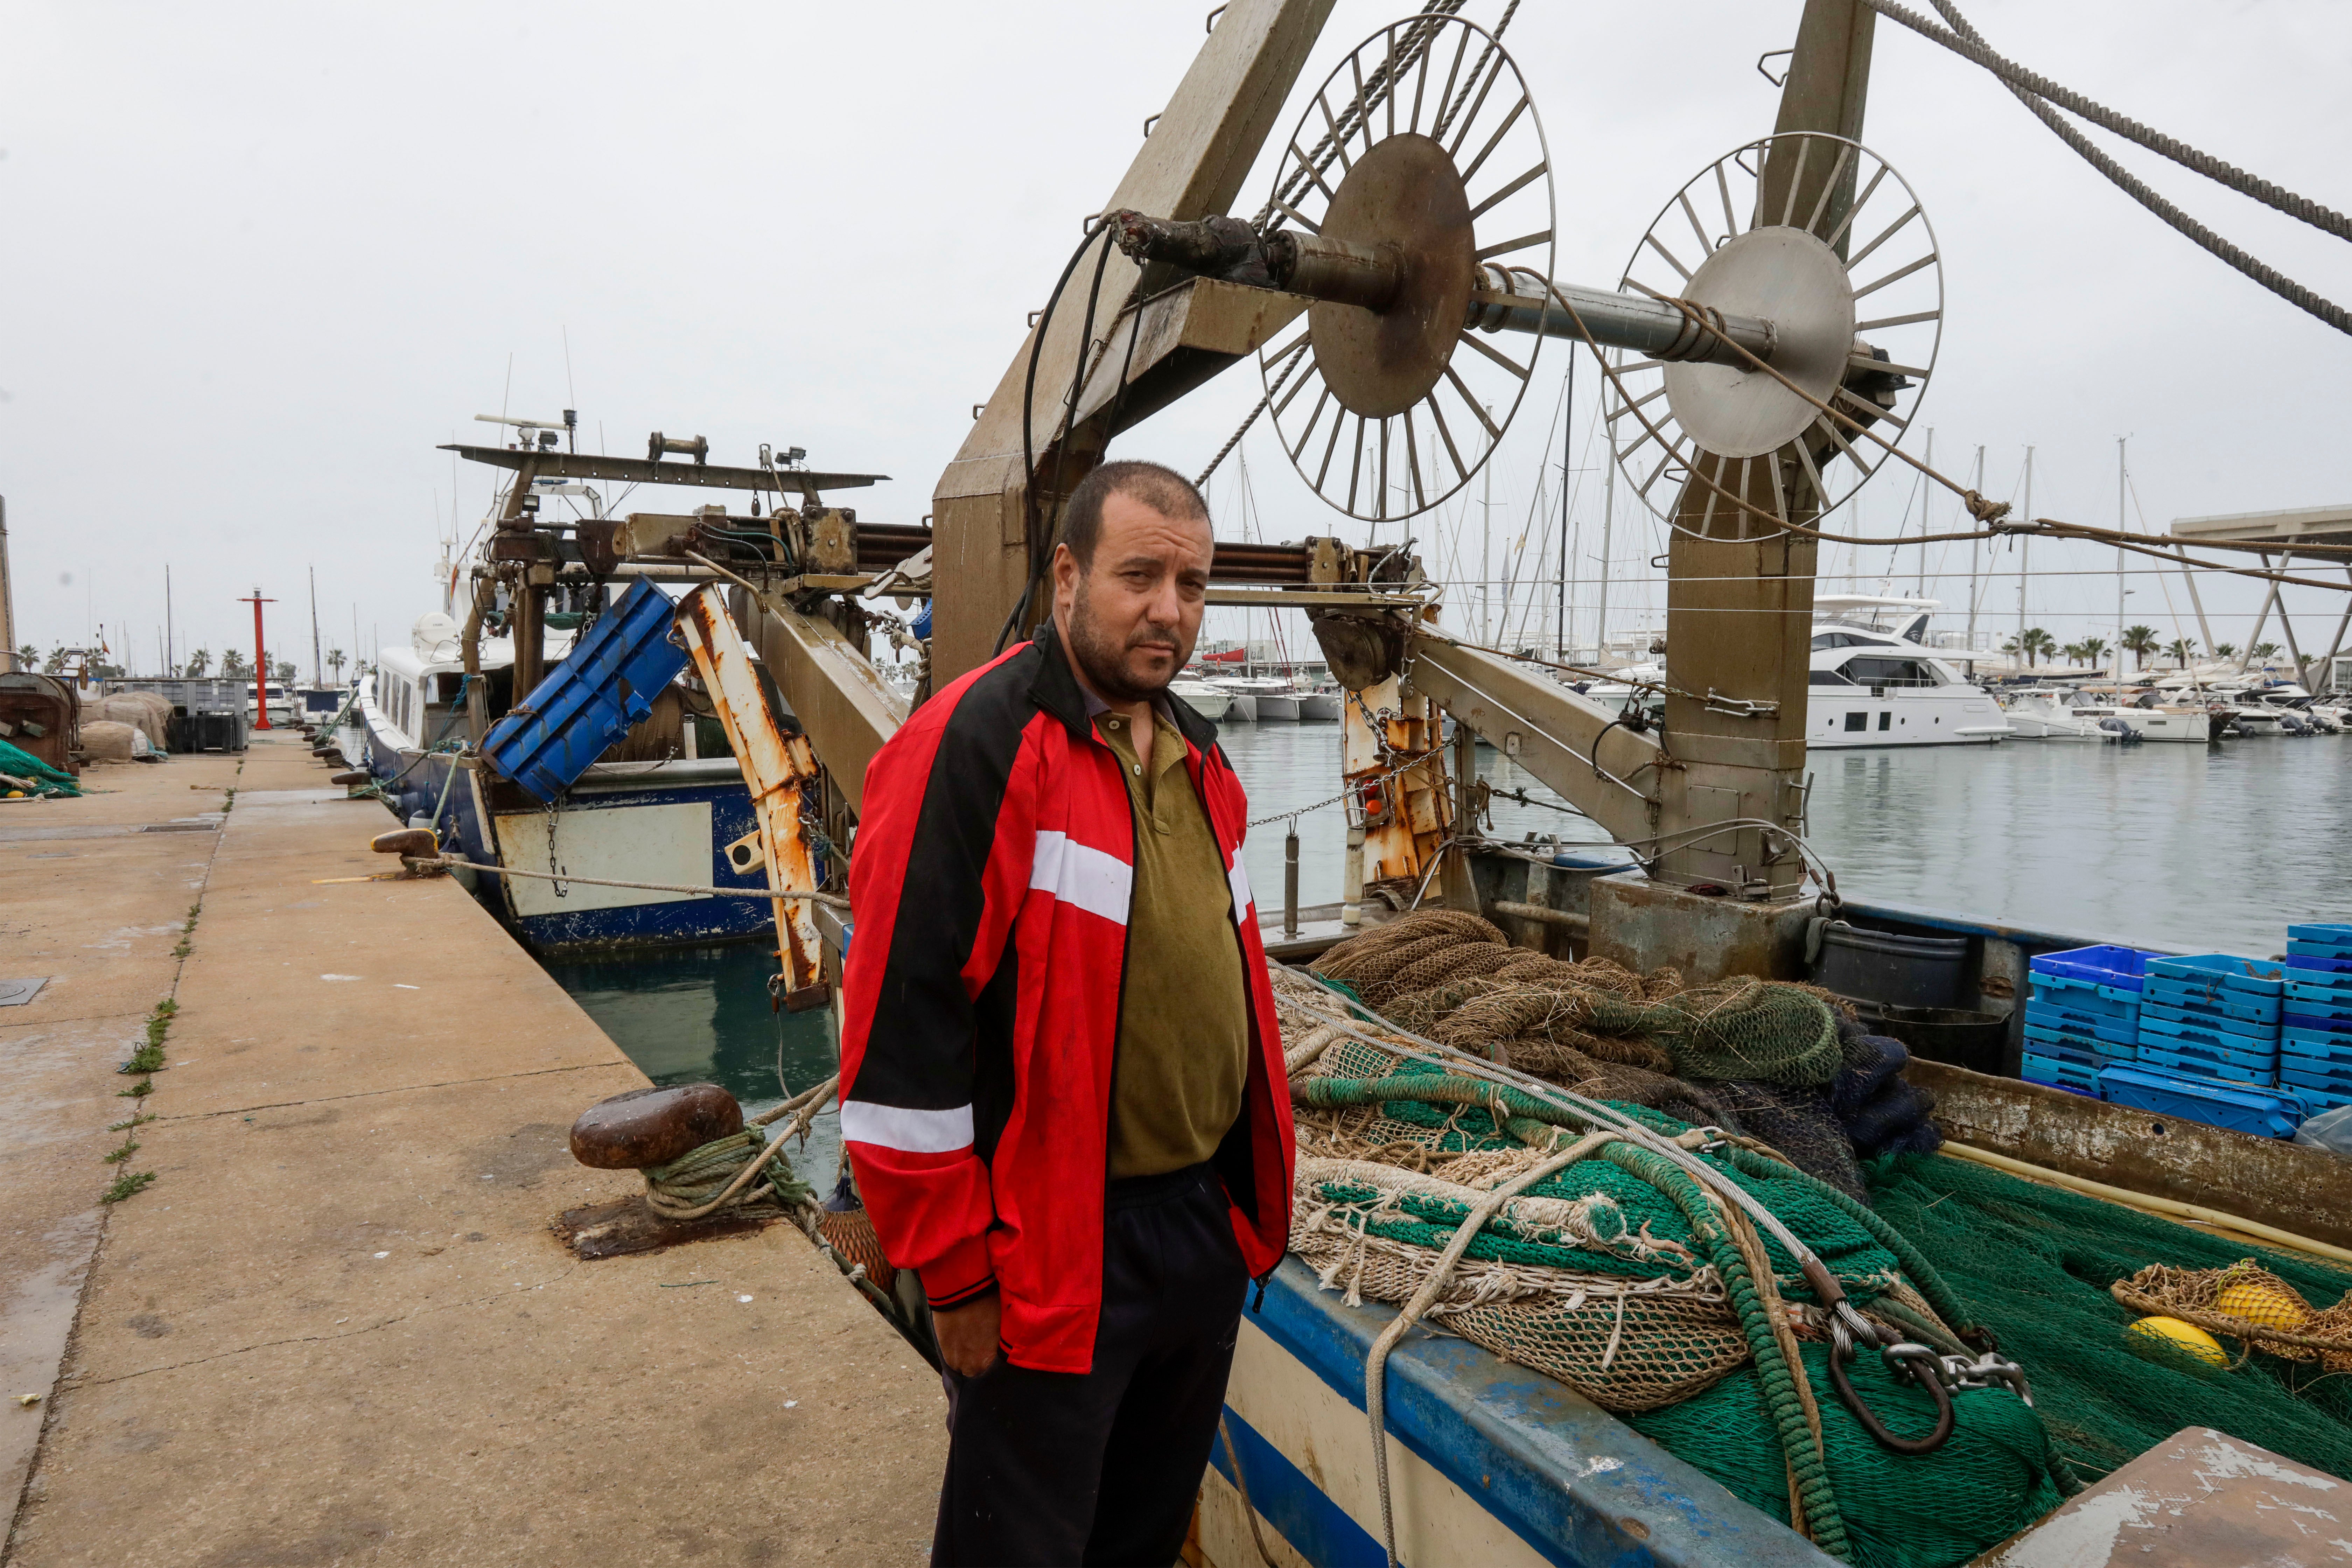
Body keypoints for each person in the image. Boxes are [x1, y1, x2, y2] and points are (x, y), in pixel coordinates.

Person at [839, 459, 1295, 1566]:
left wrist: (1243, 1211)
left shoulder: (1200, 756)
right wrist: (954, 1274)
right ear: (1066, 576)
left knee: (1139, 1540)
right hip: (1052, 1248)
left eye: (1192, 584)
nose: (1169, 610)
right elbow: (903, 1027)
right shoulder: (978, 744)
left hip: (1196, 1235)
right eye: (1139, 575)